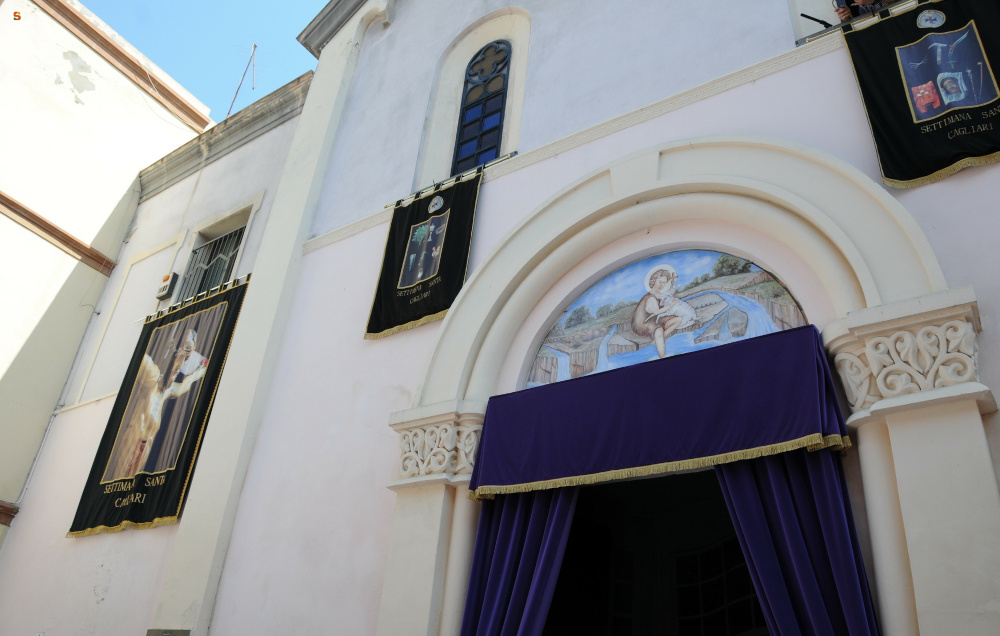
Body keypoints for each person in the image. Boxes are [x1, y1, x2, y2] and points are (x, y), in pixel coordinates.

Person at [105, 328, 207, 481]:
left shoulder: (168, 390)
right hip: (133, 440)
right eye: (184, 351)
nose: (182, 362)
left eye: (188, 355)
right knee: (118, 481)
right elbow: (143, 359)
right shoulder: (152, 378)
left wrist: (201, 369)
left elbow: (184, 386)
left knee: (129, 485)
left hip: (145, 448)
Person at [631, 266, 697, 359]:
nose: (661, 284)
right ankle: (663, 357)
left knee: (678, 319)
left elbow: (666, 296)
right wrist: (670, 306)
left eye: (664, 282)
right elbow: (657, 311)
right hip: (643, 321)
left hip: (655, 318)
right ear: (653, 282)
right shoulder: (650, 298)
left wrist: (671, 291)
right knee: (658, 331)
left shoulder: (659, 294)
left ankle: (659, 339)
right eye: (659, 281)